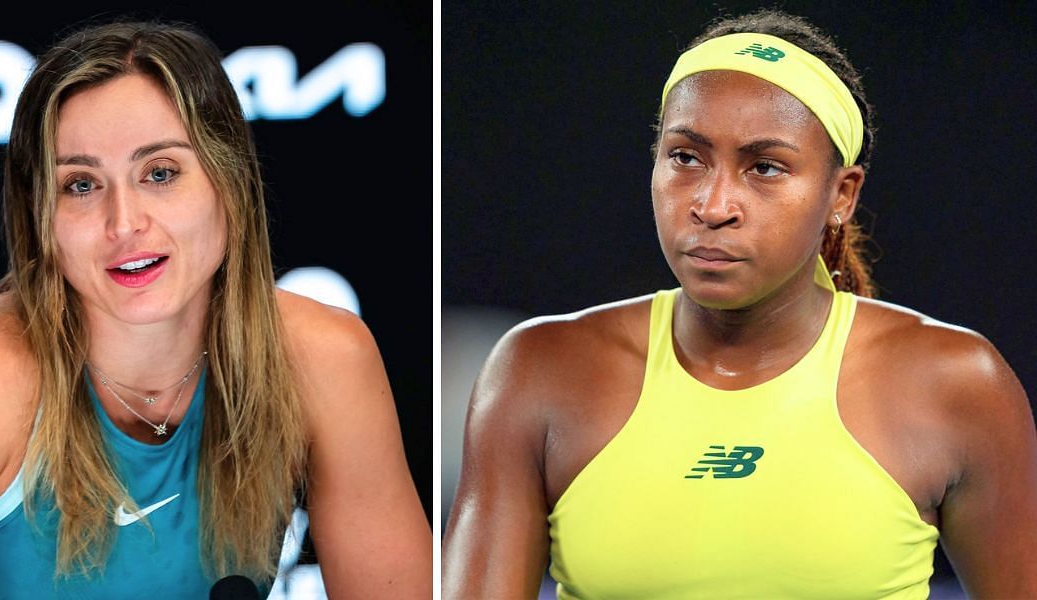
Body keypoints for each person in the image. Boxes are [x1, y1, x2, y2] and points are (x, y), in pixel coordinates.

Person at [442, 9, 1037, 599]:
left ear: (841, 194)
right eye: (685, 157)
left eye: (765, 167)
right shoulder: (536, 370)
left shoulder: (959, 384)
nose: (712, 203)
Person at [0, 19, 431, 599]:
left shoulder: (323, 358)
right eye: (81, 185)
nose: (125, 224)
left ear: (231, 185)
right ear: (40, 218)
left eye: (161, 173)